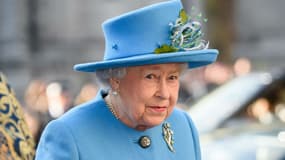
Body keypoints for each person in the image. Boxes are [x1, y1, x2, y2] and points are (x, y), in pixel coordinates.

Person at [35, 0, 218, 159]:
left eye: (172, 77)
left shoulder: (183, 125)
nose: (164, 93)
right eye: (151, 77)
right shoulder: (69, 134)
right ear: (115, 78)